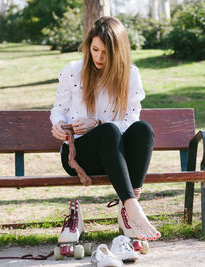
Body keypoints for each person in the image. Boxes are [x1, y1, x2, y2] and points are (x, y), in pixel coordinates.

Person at [50, 16, 160, 241]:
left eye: (106, 52)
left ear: (118, 51)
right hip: (80, 155)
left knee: (143, 129)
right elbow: (58, 109)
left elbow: (131, 119)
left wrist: (97, 123)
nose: (98, 57)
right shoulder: (73, 71)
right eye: (95, 49)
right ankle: (133, 208)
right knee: (109, 131)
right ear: (88, 46)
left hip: (115, 155)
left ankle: (127, 208)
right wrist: (58, 124)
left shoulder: (130, 74)